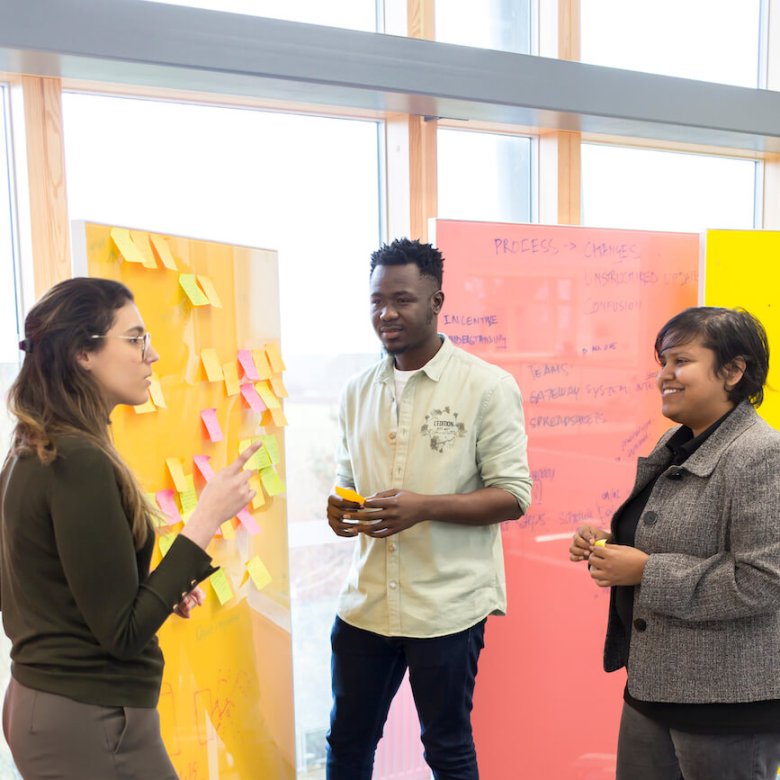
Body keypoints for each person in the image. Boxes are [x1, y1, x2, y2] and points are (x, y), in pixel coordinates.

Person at [0, 277, 260, 779]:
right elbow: (122, 633)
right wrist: (205, 519)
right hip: (91, 716)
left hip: (51, 704)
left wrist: (155, 591)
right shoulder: (77, 459)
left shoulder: (33, 449)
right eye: (136, 338)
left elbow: (59, 589)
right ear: (83, 353)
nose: (153, 355)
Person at [325, 238, 532, 780]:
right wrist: (340, 509)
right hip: (366, 604)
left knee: (446, 748)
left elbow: (513, 496)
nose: (386, 313)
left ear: (437, 301)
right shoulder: (355, 390)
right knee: (346, 743)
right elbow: (350, 478)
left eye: (402, 299)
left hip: (446, 606)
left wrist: (425, 507)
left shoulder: (487, 386)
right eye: (376, 301)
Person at [570, 306, 780, 780]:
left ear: (733, 370)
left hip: (726, 704)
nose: (664, 375)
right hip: (652, 689)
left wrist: (644, 571)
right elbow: (673, 536)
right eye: (663, 362)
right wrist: (606, 542)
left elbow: (763, 581)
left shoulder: (762, 454)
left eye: (680, 361)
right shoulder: (678, 441)